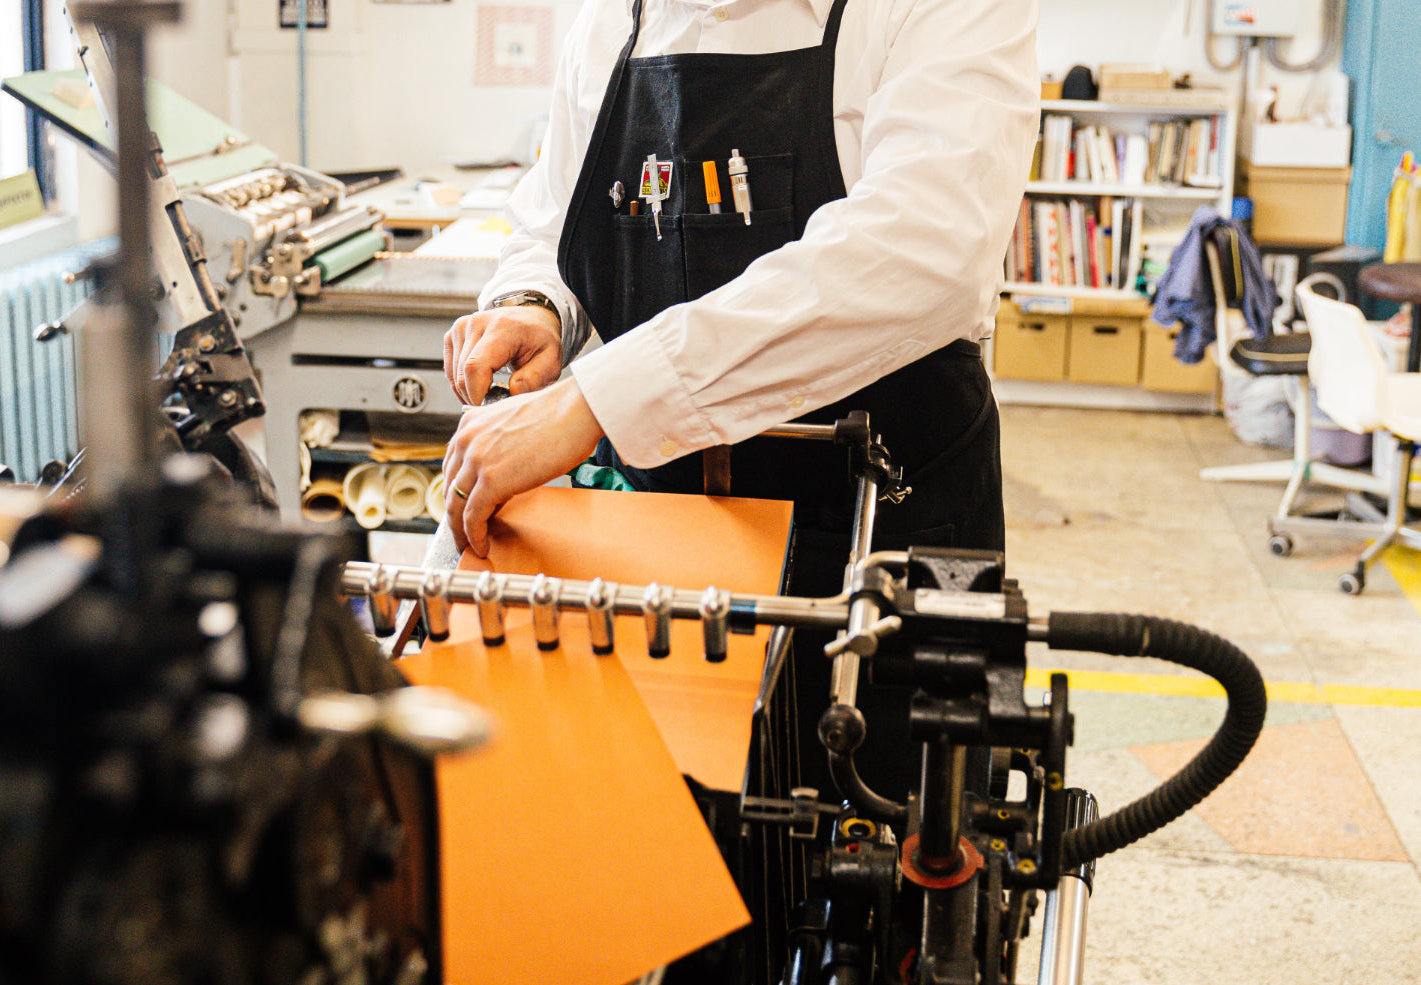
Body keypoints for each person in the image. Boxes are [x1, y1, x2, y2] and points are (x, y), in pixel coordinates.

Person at [441, 0, 1039, 563]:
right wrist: (534, 302)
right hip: (652, 511)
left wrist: (597, 400)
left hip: (884, 514)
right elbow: (556, 220)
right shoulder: (610, 20)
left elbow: (923, 251)